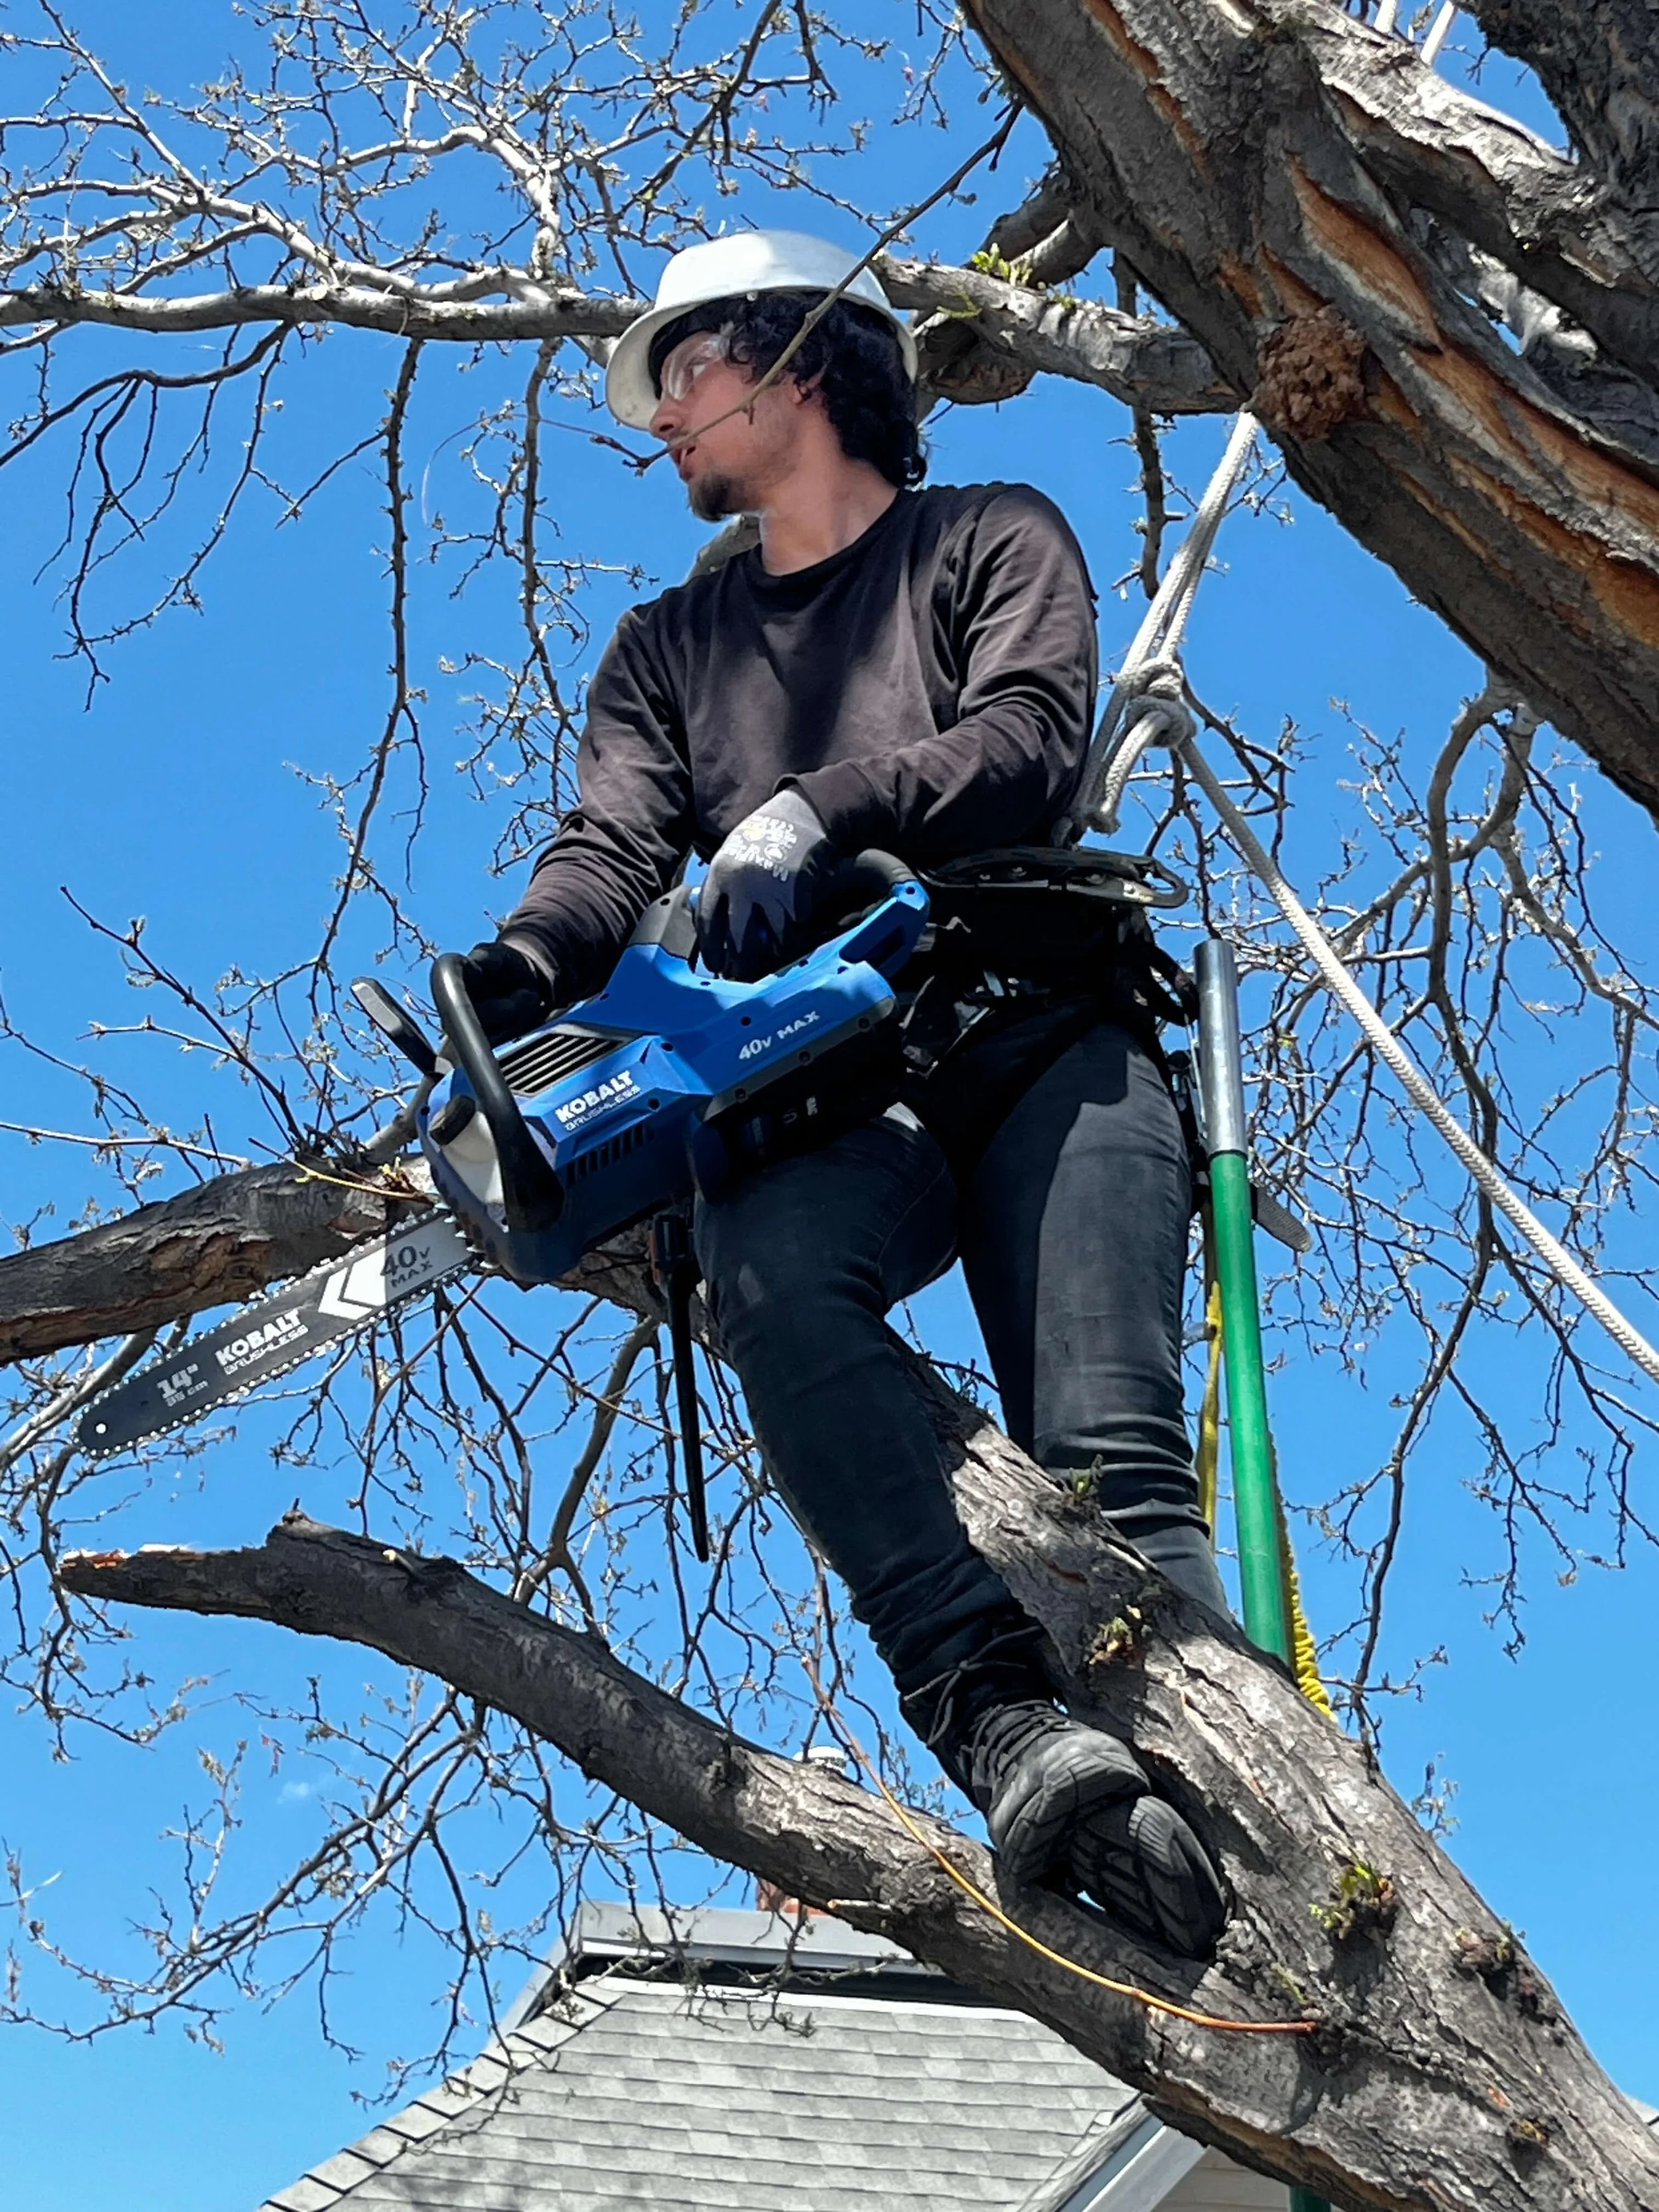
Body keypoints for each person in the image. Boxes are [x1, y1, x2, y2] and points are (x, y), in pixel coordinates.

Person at [459, 231, 1229, 1956]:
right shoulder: (671, 646)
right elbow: (606, 850)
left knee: (1106, 1459)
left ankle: (1228, 1817)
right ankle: (999, 1720)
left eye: (686, 368)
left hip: (1033, 1020)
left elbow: (1027, 734)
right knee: (768, 1284)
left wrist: (818, 814)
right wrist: (525, 967)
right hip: (818, 1083)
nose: (660, 411)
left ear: (796, 363)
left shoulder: (988, 538)